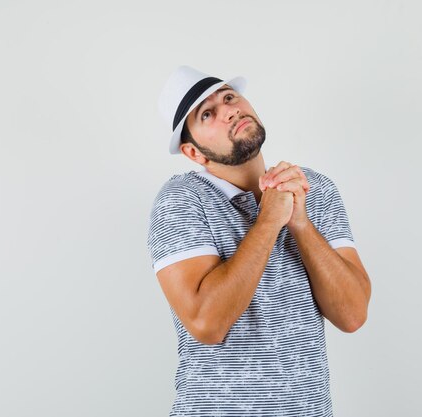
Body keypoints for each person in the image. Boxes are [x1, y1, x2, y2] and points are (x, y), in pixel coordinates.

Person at [147, 65, 371, 417]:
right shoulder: (181, 201)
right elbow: (207, 323)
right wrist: (269, 220)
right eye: (208, 114)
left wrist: (300, 222)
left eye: (230, 97)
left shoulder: (314, 188)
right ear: (195, 153)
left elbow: (353, 315)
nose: (229, 110)